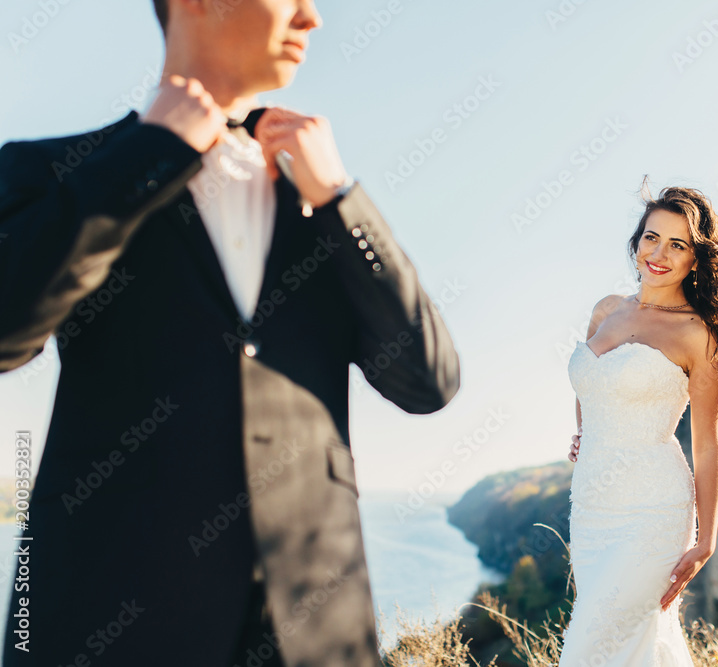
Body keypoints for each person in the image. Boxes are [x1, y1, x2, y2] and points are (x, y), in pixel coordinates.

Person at [0, 1, 459, 665]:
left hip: (317, 637)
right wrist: (151, 151)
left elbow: (428, 379)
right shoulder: (57, 173)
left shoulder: (322, 203)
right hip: (109, 626)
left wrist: (340, 198)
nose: (313, 18)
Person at [560, 183, 718, 665]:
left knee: (592, 642)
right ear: (637, 241)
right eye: (652, 237)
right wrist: (584, 432)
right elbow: (589, 382)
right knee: (630, 645)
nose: (659, 253)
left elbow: (707, 445)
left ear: (695, 259)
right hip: (591, 506)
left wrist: (707, 539)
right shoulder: (606, 310)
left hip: (652, 511)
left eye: (678, 245)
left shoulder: (698, 335)